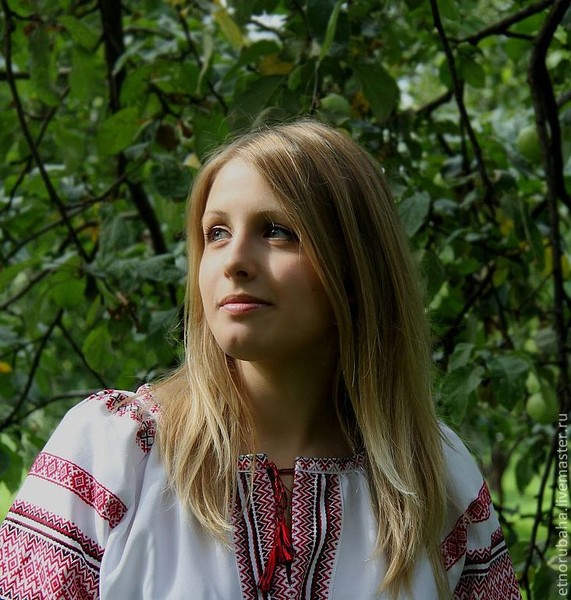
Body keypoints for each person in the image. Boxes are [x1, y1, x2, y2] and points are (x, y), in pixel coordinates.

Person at [0, 119, 521, 599]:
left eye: (276, 230)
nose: (234, 262)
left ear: (355, 265)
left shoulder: (436, 480)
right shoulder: (116, 454)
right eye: (216, 233)